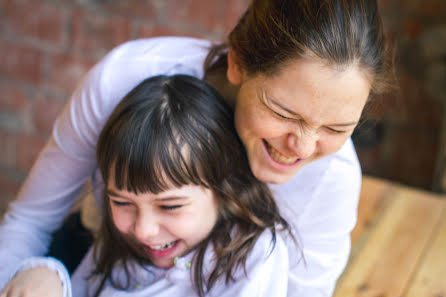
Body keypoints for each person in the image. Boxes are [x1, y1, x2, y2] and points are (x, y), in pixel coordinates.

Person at [0, 0, 393, 296]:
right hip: (104, 254)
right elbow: (30, 221)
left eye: (337, 127)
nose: (302, 147)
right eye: (283, 112)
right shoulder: (125, 81)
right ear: (237, 62)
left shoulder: (329, 183)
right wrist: (32, 275)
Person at [4, 74, 290, 297]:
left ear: (225, 187)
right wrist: (47, 273)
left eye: (170, 205)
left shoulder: (252, 259)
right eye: (122, 202)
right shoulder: (123, 249)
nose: (143, 230)